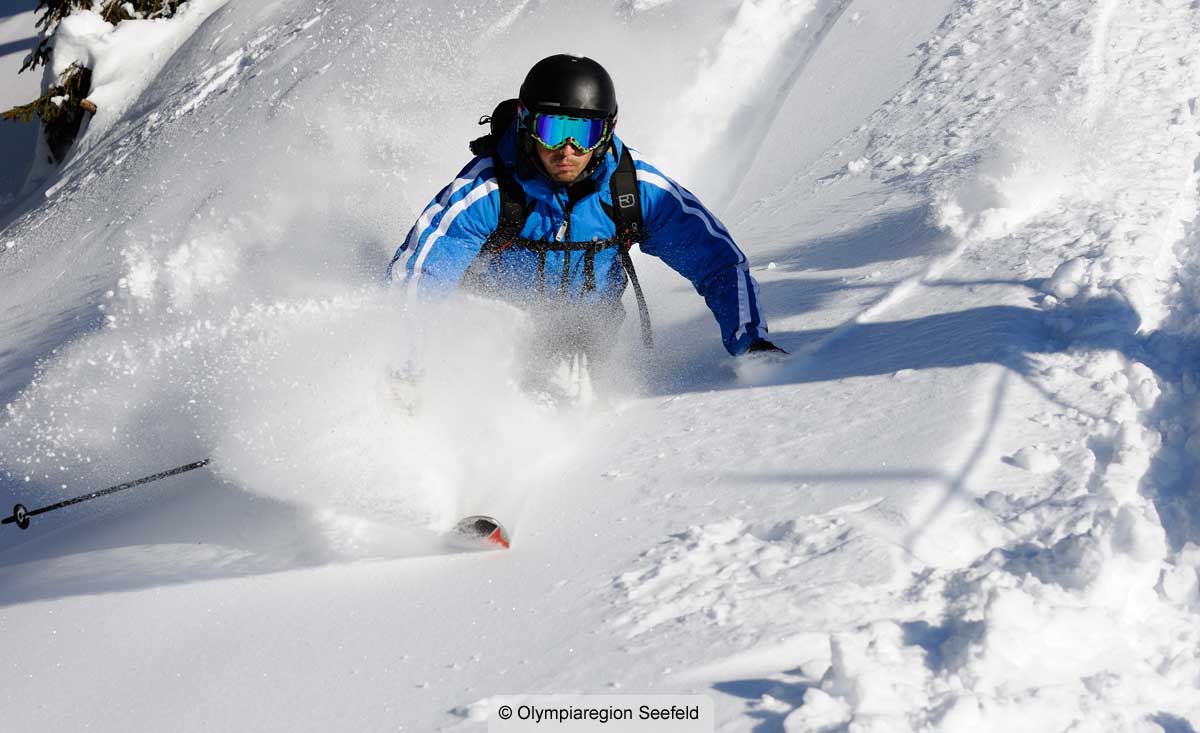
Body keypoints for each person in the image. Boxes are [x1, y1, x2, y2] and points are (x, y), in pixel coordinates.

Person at [387, 54, 783, 364]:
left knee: (572, 377)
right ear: (527, 125)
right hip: (489, 331)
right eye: (554, 130)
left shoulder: (633, 189)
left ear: (606, 132)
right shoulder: (488, 188)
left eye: (585, 133)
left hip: (588, 337)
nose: (568, 150)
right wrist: (407, 354)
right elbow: (424, 269)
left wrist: (751, 342)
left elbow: (716, 262)